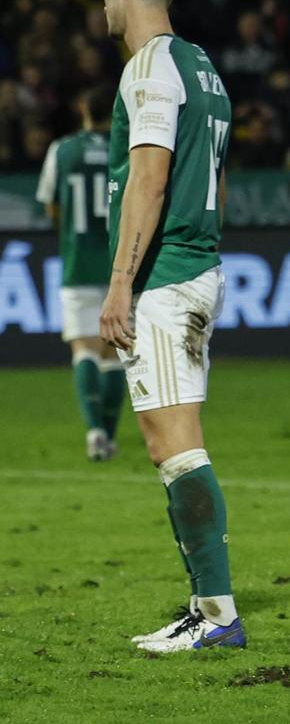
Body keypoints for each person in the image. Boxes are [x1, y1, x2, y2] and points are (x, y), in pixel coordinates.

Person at [96, 0, 243, 653]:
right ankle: (206, 608)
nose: (102, 3)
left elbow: (150, 178)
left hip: (164, 274)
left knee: (173, 446)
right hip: (198, 265)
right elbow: (214, 184)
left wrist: (121, 281)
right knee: (174, 443)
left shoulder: (148, 67)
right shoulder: (205, 68)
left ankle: (216, 616)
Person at [35, 87, 126, 461]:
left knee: (83, 348)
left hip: (77, 263)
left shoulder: (63, 149)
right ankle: (108, 433)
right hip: (121, 265)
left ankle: (93, 433)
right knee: (116, 353)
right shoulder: (129, 146)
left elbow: (51, 206)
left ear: (82, 109)